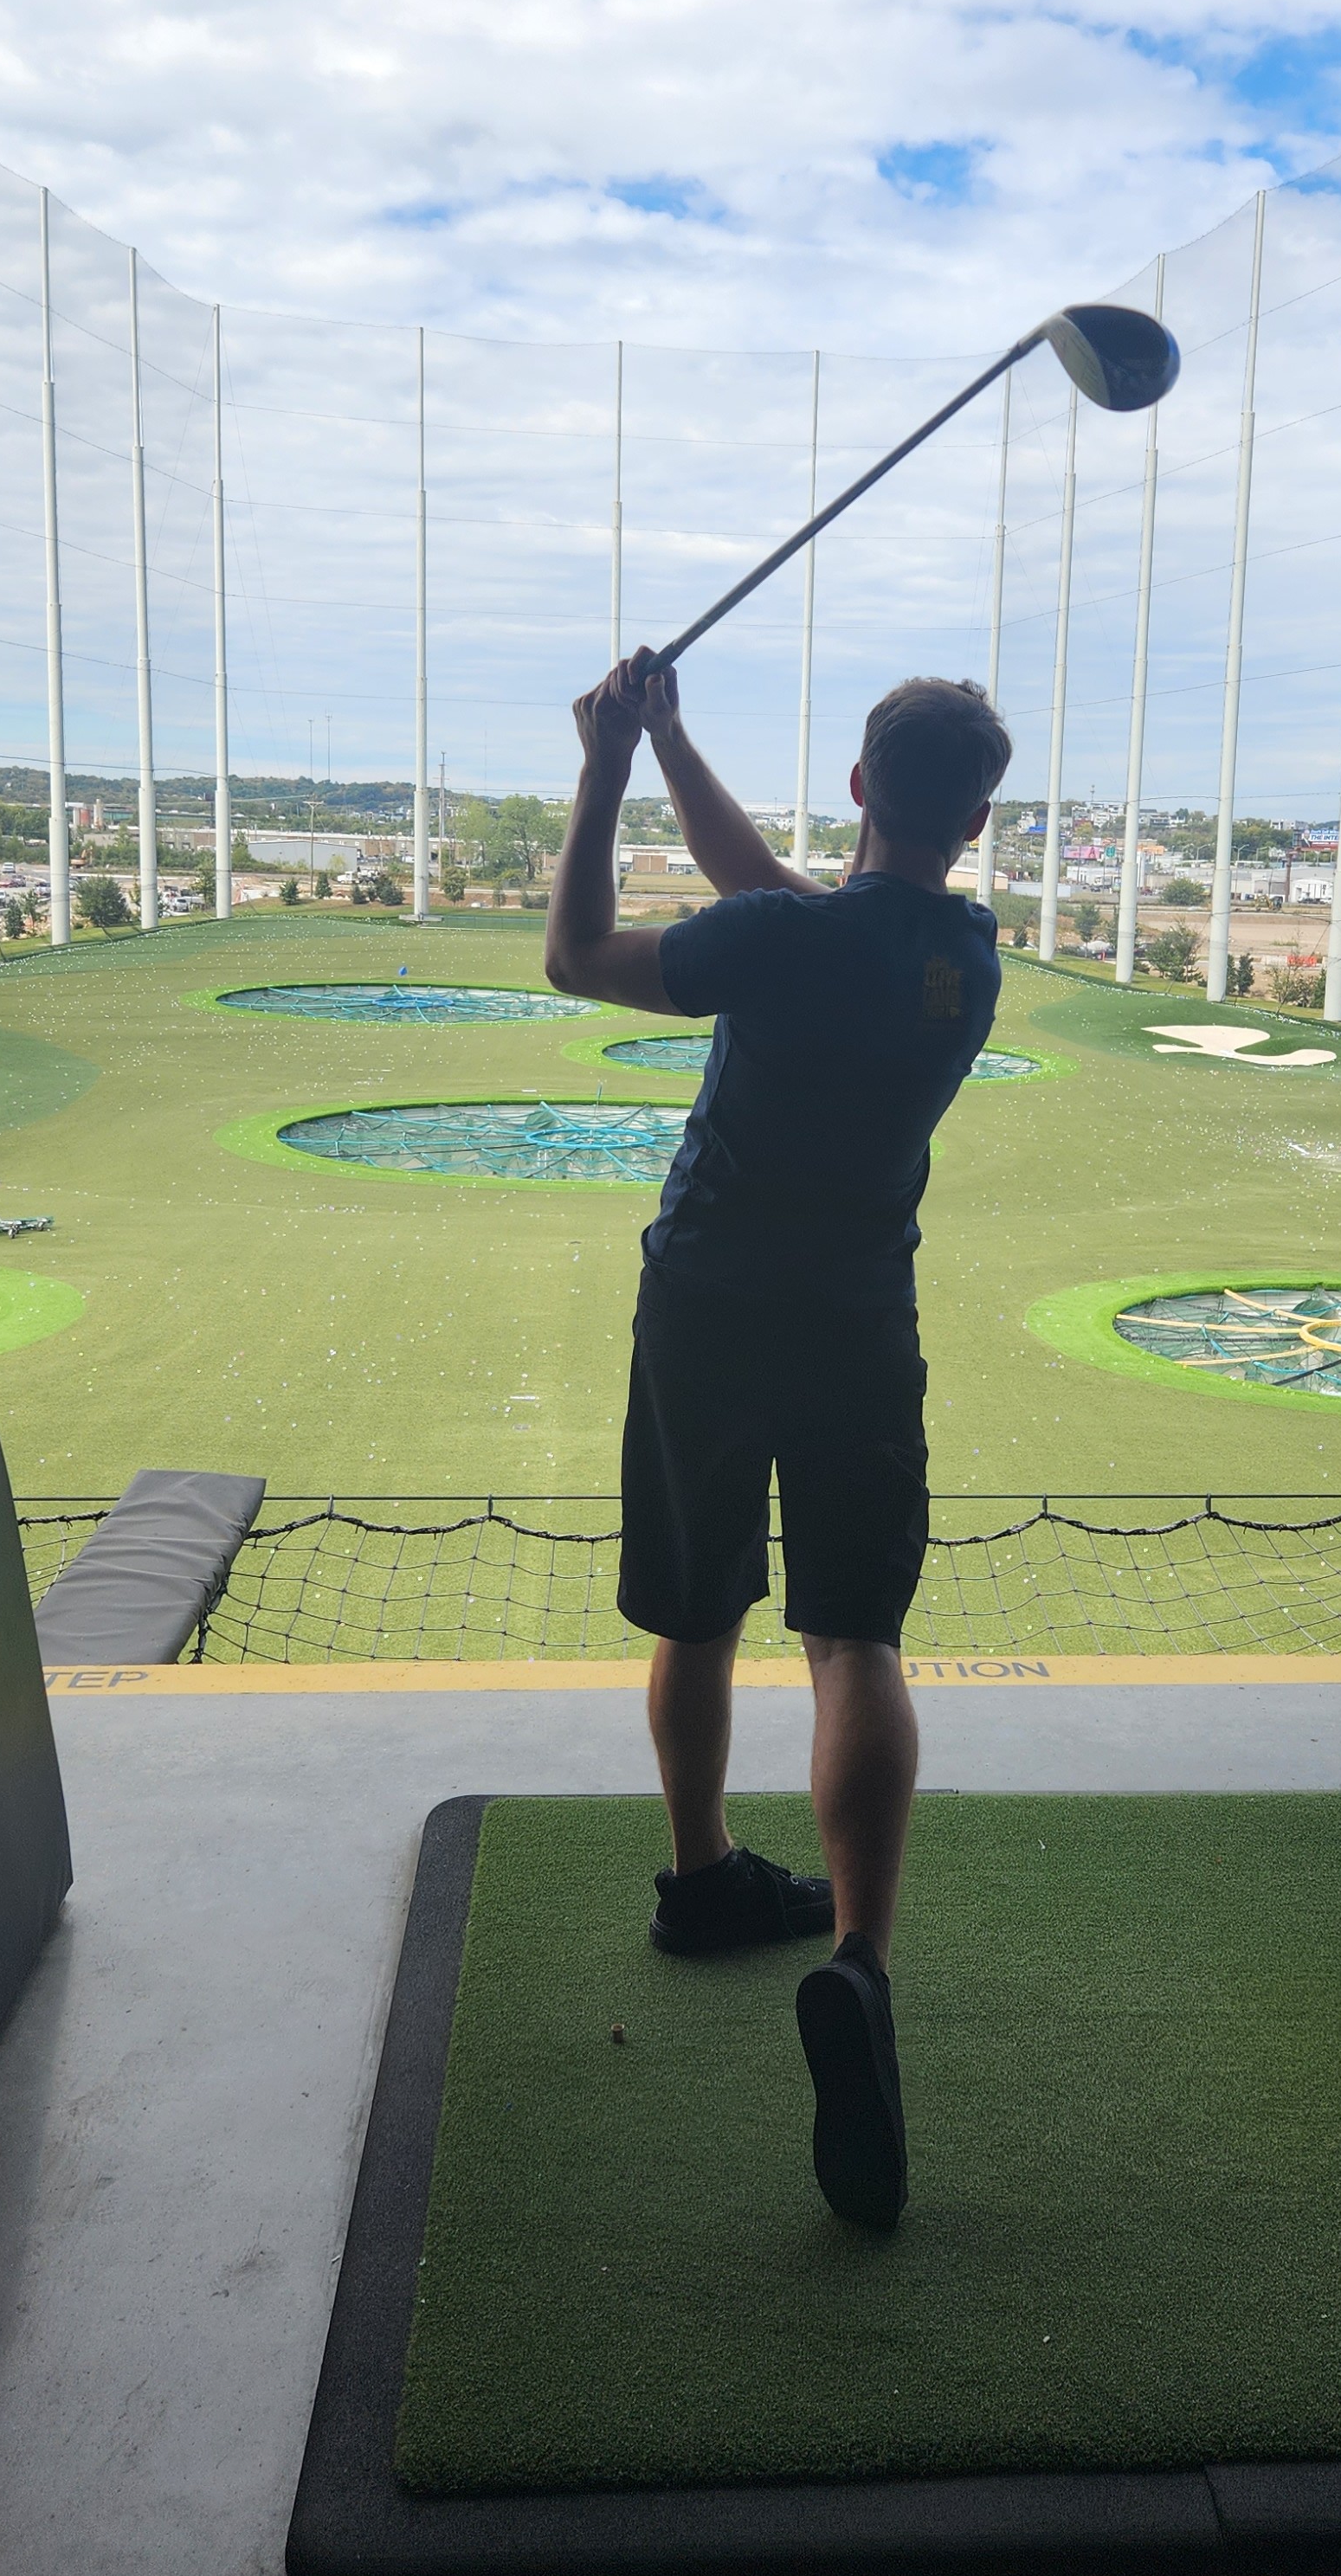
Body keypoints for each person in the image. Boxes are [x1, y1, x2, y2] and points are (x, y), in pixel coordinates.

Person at [545, 647, 1010, 2231]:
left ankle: (699, 1877)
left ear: (867, 786)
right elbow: (792, 912)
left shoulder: (781, 942)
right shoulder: (961, 953)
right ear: (975, 814)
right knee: (853, 1638)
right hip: (857, 1321)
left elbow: (580, 954)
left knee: (699, 1607)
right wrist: (675, 740)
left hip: (710, 1302)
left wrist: (607, 764)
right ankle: (858, 1958)